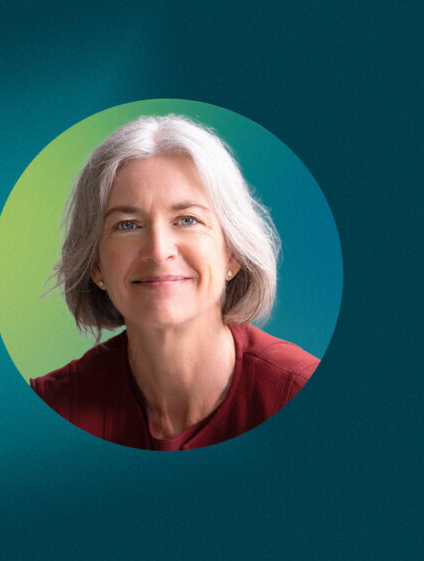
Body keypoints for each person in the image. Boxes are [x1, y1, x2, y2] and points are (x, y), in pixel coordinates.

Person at [31, 115, 318, 451]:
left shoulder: (302, 393)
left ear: (232, 255)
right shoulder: (48, 408)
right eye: (127, 225)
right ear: (96, 266)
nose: (158, 251)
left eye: (187, 220)